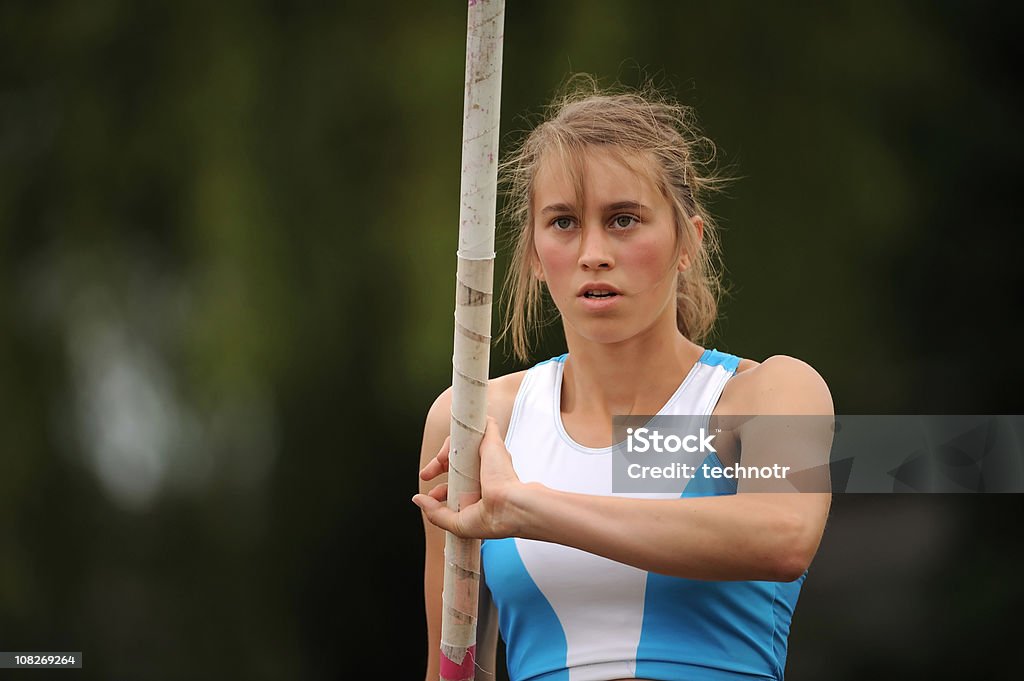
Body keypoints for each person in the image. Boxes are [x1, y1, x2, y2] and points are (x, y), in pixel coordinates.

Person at [414, 76, 833, 681]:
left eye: (624, 219)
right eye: (562, 222)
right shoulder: (477, 421)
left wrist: (528, 508)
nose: (593, 253)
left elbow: (782, 535)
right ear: (533, 252)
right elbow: (451, 669)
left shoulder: (768, 393)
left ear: (689, 239)